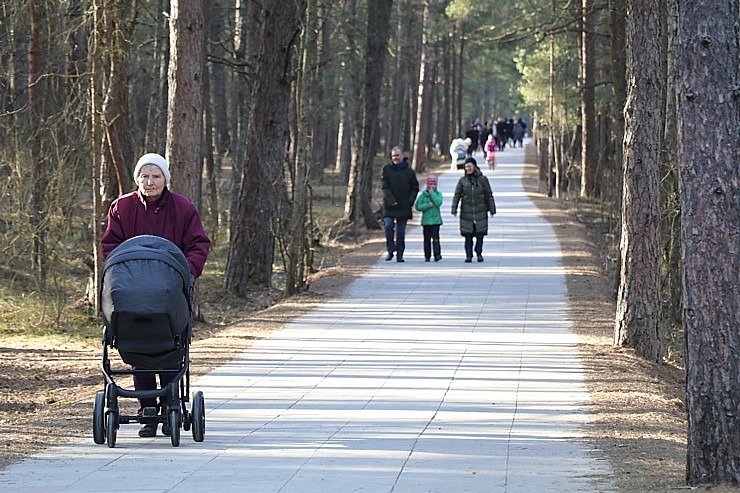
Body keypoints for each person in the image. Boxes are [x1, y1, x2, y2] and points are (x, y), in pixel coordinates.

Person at [101, 152, 211, 438]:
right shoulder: (122, 208)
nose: (150, 182)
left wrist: (186, 273)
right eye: (144, 176)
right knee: (138, 347)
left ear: (165, 179)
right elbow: (110, 245)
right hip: (131, 291)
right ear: (137, 178)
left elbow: (198, 244)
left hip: (169, 289)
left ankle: (170, 403)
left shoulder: (183, 209)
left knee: (170, 344)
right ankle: (147, 410)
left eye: (156, 176)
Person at [451, 157, 496, 263]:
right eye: (466, 167)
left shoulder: (483, 180)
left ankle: (479, 252)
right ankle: (469, 255)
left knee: (480, 234)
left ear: (474, 167)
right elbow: (457, 195)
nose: (468, 169)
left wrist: (492, 209)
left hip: (480, 211)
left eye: (470, 166)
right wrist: (454, 208)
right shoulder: (462, 181)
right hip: (466, 212)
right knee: (468, 235)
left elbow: (488, 195)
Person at [381, 146, 419, 262]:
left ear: (402, 156)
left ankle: (400, 254)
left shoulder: (409, 172)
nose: (395, 158)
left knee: (401, 232)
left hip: (404, 206)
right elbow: (384, 187)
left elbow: (415, 188)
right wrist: (391, 200)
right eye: (393, 156)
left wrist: (410, 201)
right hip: (389, 206)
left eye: (397, 155)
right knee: (388, 227)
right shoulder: (386, 169)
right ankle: (390, 250)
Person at [415, 175, 443, 262]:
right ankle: (427, 255)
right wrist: (427, 205)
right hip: (426, 221)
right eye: (430, 184)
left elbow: (438, 202)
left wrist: (432, 193)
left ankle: (437, 254)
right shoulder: (423, 195)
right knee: (426, 239)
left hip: (436, 220)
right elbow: (418, 206)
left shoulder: (438, 194)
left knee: (436, 239)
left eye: (434, 184)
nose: (432, 186)